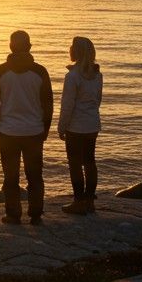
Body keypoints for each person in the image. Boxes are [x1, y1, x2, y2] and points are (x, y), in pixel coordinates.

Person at [0, 30, 53, 224]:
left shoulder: (1, 71)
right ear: (30, 47)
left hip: (7, 132)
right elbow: (48, 103)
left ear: (10, 47)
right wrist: (45, 128)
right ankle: (35, 214)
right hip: (34, 131)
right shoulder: (40, 72)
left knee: (10, 176)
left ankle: (13, 214)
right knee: (35, 175)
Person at [58, 36, 103, 215]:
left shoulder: (72, 76)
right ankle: (90, 201)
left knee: (75, 164)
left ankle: (79, 201)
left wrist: (62, 127)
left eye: (71, 47)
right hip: (92, 124)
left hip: (75, 127)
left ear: (76, 52)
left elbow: (67, 105)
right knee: (90, 162)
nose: (69, 49)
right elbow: (98, 100)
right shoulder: (97, 75)